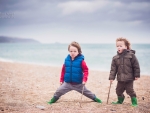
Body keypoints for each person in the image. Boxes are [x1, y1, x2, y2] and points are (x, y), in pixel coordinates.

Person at [109, 37, 140, 107]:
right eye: (117, 46)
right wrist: (111, 78)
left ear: (126, 47)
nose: (119, 47)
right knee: (118, 90)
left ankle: (134, 102)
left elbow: (136, 65)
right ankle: (120, 100)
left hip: (129, 78)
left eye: (121, 46)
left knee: (130, 90)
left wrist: (137, 75)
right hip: (120, 79)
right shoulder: (115, 58)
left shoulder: (131, 55)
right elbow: (113, 69)